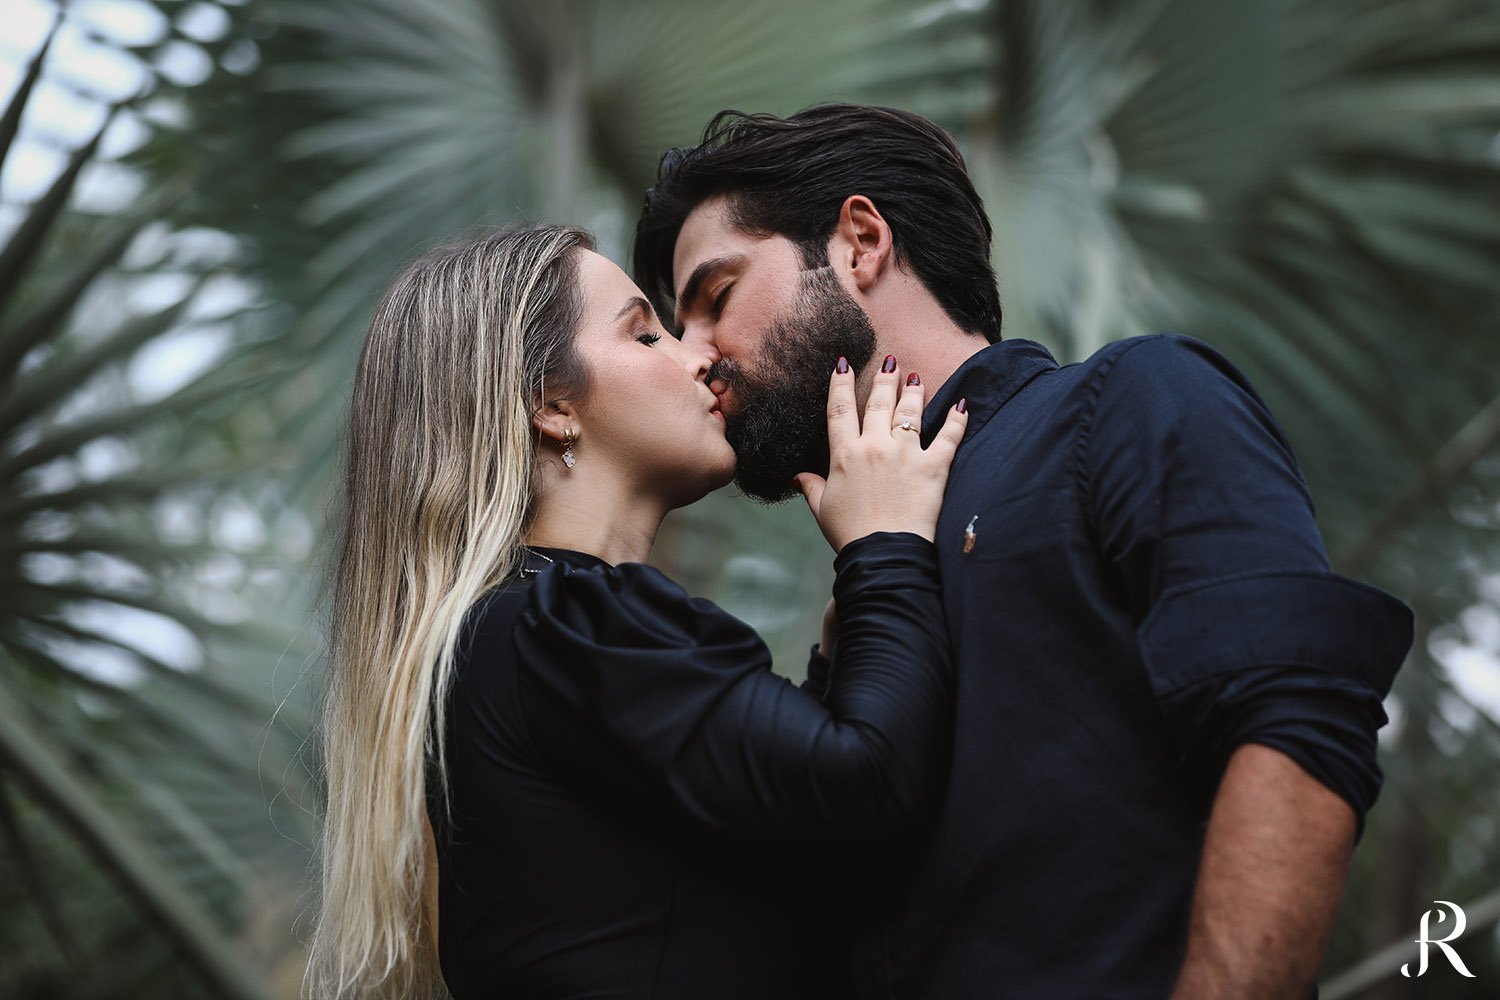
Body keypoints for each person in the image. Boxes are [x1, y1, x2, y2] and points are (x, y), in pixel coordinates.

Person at [634, 104, 1416, 998]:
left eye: (717, 298)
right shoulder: (864, 579)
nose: (694, 357)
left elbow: (1296, 720)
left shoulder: (1129, 401)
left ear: (860, 243)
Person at [304, 224, 970, 999]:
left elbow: (775, 862)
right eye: (646, 334)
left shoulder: (518, 639)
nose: (699, 357)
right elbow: (865, 791)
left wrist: (842, 655)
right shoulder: (559, 625)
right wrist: (887, 549)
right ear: (553, 405)